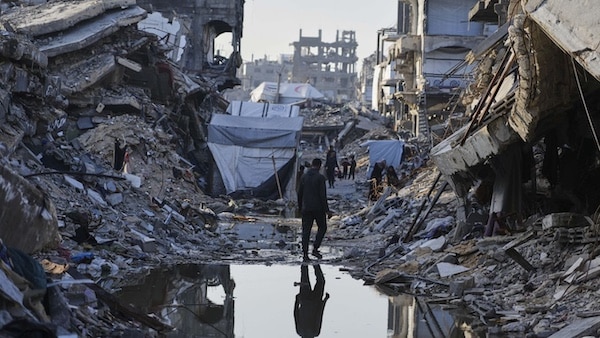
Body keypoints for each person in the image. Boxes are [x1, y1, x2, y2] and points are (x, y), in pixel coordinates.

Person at [297, 158, 332, 261]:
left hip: (306, 208)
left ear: (312, 164)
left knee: (306, 231)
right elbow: (322, 195)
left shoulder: (304, 177)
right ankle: (315, 248)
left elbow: (300, 194)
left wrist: (300, 208)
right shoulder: (320, 178)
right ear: (320, 166)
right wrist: (327, 210)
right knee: (322, 227)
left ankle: (305, 254)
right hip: (318, 209)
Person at [294, 264, 329, 338]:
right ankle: (305, 255)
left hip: (315, 301)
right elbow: (295, 314)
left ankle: (315, 263)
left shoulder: (315, 332)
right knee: (304, 277)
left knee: (321, 281)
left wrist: (325, 300)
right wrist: (297, 301)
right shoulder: (299, 331)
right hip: (304, 301)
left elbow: (319, 315)